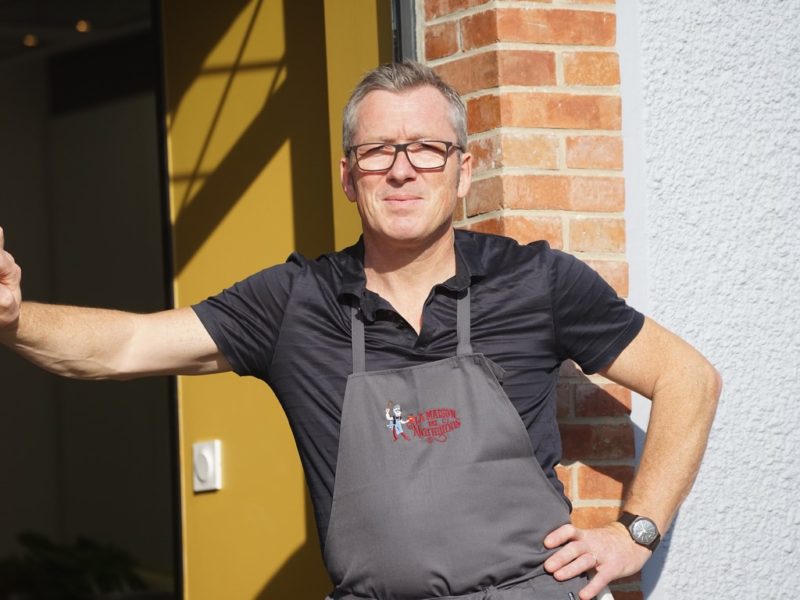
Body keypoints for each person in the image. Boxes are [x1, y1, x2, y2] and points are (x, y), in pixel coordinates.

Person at [0, 61, 721, 600]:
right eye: (379, 152)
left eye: (426, 150)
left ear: (463, 171)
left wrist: (637, 533)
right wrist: (14, 318)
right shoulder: (295, 302)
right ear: (349, 176)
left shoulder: (536, 282)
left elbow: (688, 377)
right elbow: (126, 345)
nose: (402, 171)